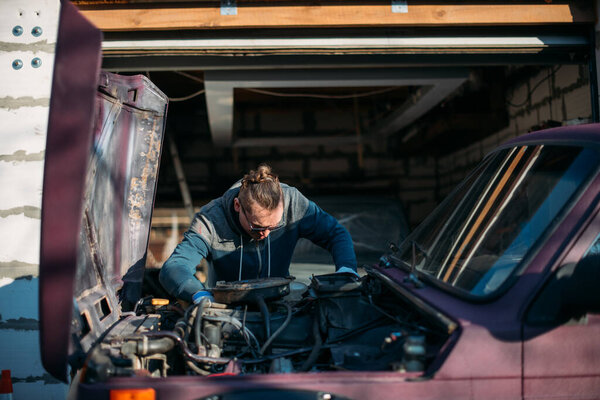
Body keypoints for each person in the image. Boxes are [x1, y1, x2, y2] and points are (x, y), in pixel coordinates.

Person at [159, 164, 357, 303]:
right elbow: (174, 267)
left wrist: (347, 270)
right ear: (238, 206)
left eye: (274, 226)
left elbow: (335, 233)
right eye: (258, 228)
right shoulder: (211, 220)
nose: (267, 234)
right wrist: (198, 294)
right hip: (226, 311)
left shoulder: (294, 203)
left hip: (281, 305)